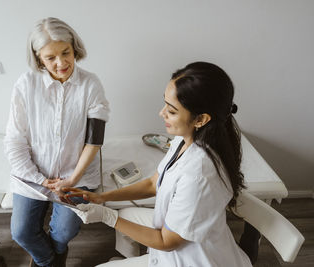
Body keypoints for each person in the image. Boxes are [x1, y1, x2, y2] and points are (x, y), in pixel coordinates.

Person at [64, 62, 253, 266]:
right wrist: (102, 198)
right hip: (182, 240)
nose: (161, 113)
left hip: (190, 259)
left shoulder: (199, 175)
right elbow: (153, 184)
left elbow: (166, 241)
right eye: (165, 104)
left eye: (171, 111)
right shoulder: (185, 139)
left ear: (201, 119)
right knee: (127, 214)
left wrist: (107, 217)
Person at [4, 17, 109, 267]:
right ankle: (49, 260)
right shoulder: (25, 84)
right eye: (50, 57)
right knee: (21, 233)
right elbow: (14, 140)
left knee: (64, 232)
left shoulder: (90, 84)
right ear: (38, 57)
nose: (61, 63)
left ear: (75, 48)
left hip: (77, 175)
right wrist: (40, 179)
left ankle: (56, 251)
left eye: (66, 53)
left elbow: (94, 142)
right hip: (33, 176)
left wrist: (72, 180)